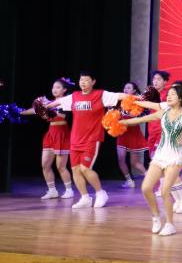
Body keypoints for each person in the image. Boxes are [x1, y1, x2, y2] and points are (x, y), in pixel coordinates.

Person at [120, 83, 182, 235]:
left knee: (165, 190)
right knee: (146, 188)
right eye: (168, 94)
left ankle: (169, 224)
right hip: (160, 155)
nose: (168, 96)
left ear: (180, 98)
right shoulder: (163, 112)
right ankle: (156, 216)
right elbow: (142, 119)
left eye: (172, 94)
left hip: (175, 156)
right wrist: (122, 122)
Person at [42, 71, 129, 209]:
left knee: (85, 168)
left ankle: (101, 193)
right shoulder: (74, 96)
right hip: (75, 140)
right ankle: (85, 198)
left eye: (86, 80)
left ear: (93, 82)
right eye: (81, 80)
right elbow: (58, 102)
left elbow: (120, 95)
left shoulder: (100, 94)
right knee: (75, 170)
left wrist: (137, 98)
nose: (83, 82)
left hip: (92, 139)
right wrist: (45, 107)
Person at [20, 78, 75, 200]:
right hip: (50, 134)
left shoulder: (66, 102)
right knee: (45, 165)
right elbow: (35, 110)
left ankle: (69, 190)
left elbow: (62, 116)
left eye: (58, 87)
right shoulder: (49, 103)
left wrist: (45, 112)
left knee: (60, 166)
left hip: (62, 134)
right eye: (53, 87)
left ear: (64, 90)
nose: (55, 89)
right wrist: (20, 112)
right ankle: (52, 190)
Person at [115, 81, 150, 188]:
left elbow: (140, 118)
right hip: (122, 133)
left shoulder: (137, 102)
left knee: (134, 162)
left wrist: (126, 121)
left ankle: (150, 178)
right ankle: (129, 181)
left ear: (134, 90)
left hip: (133, 133)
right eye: (125, 88)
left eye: (129, 88)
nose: (126, 90)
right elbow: (114, 116)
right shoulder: (119, 102)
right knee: (121, 159)